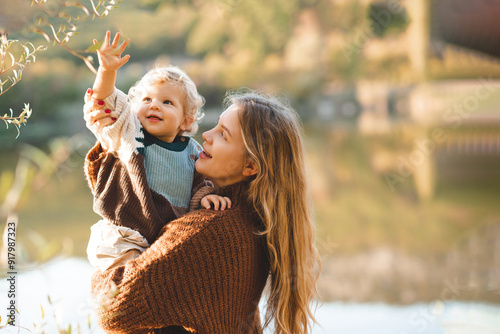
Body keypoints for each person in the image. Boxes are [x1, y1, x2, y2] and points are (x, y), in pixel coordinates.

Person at [84, 67, 320, 334]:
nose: (206, 135)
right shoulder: (252, 219)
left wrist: (103, 274)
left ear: (251, 166)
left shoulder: (206, 231)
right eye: (215, 126)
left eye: (223, 135)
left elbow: (112, 309)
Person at [84, 32, 230, 270]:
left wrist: (207, 197)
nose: (154, 105)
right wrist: (107, 71)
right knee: (130, 286)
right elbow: (105, 101)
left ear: (186, 120)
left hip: (159, 239)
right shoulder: (130, 133)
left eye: (167, 102)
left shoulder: (192, 151)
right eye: (147, 99)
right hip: (122, 235)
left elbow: (200, 184)